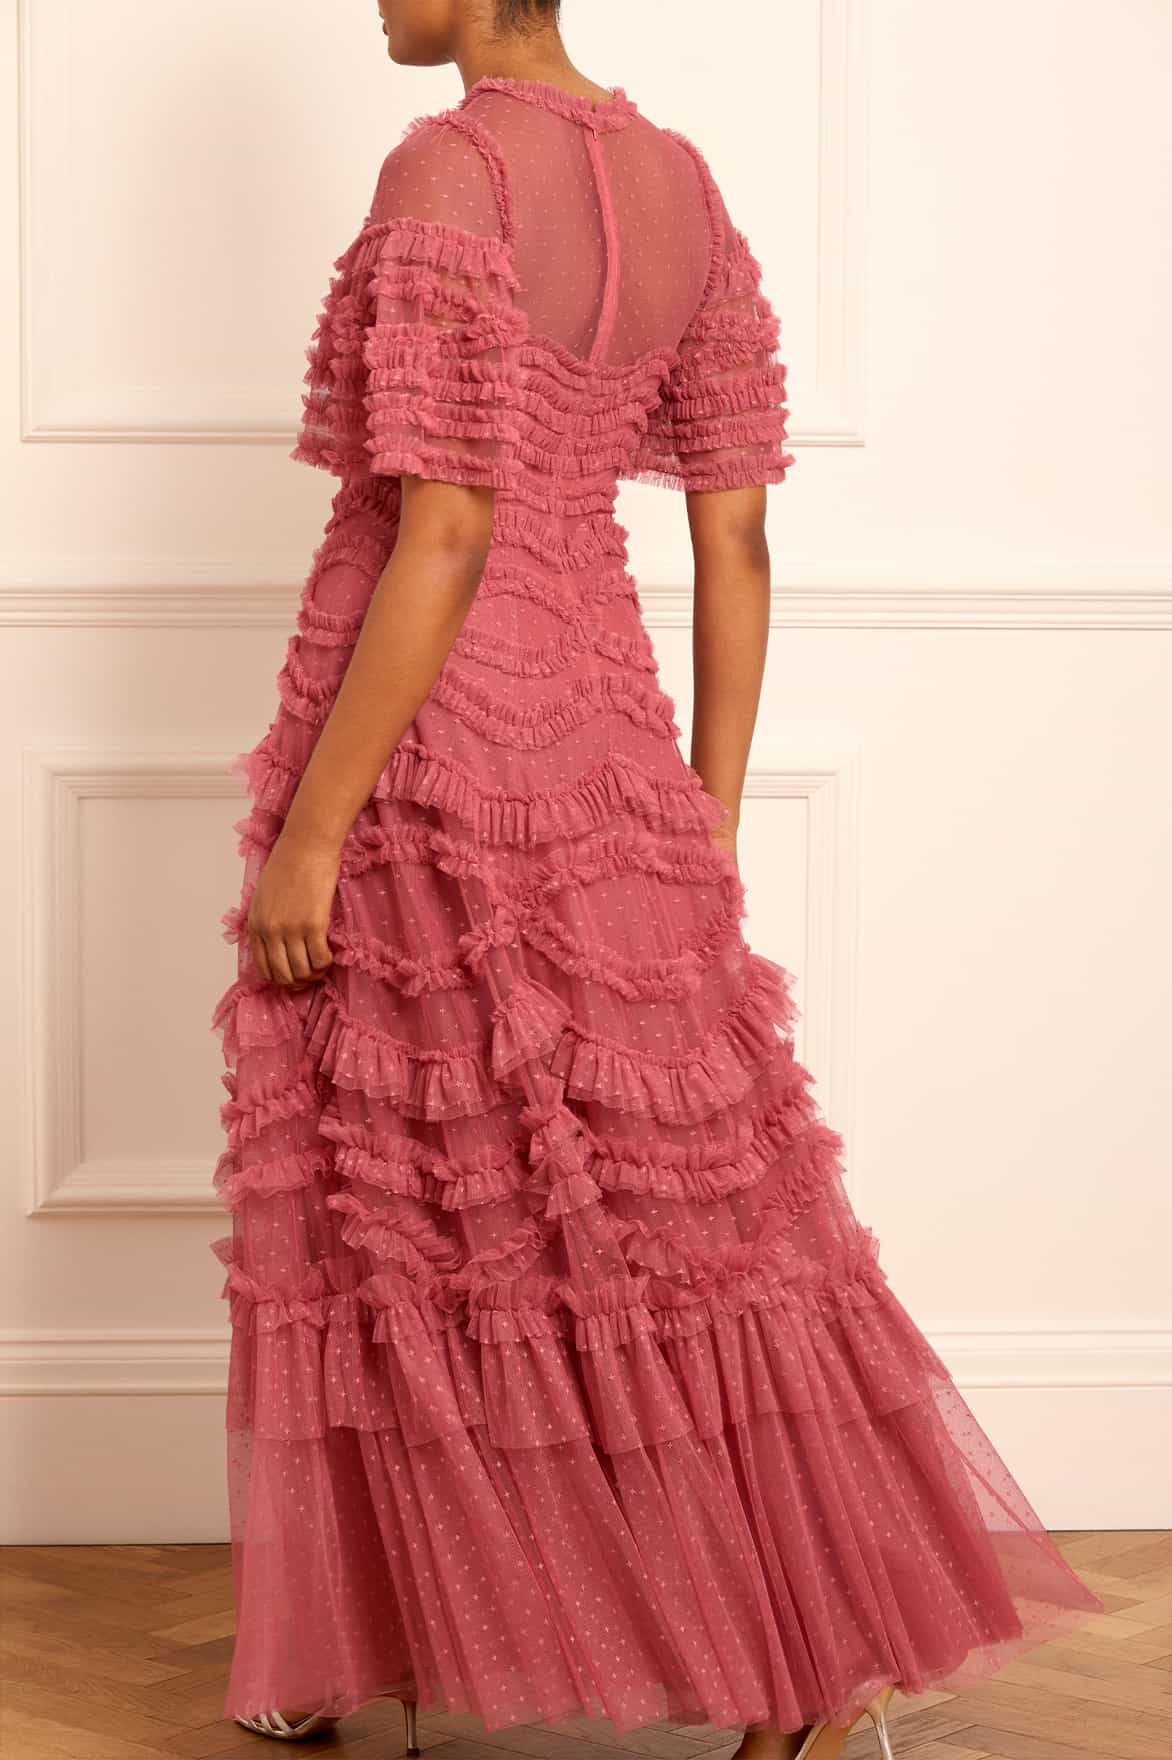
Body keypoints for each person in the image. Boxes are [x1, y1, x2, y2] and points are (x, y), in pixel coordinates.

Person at [209, 0, 1103, 1753]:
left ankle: (369, 1647)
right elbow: (737, 533)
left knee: (413, 1200)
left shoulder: (448, 169)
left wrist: (314, 828)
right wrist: (708, 805)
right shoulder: (684, 184)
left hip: (431, 747)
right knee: (675, 1216)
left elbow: (444, 525)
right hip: (611, 737)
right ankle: (797, 1652)